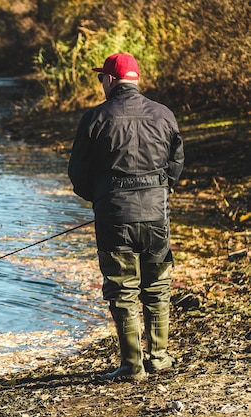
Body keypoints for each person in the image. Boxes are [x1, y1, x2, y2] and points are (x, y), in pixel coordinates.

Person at [68, 53, 184, 381]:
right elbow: (175, 165)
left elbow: (78, 173)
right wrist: (160, 192)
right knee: (157, 285)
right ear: (135, 79)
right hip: (156, 216)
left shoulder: (95, 118)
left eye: (100, 78)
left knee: (122, 289)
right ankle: (159, 358)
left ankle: (132, 366)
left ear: (109, 80)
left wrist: (103, 200)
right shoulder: (164, 115)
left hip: (114, 217)